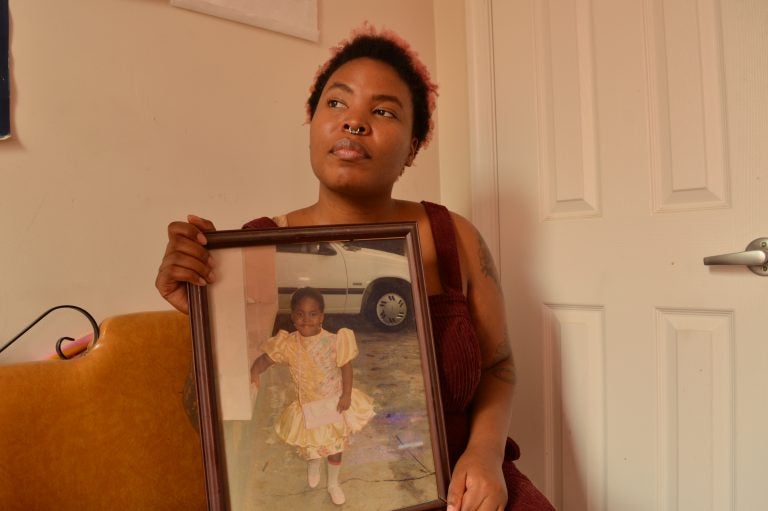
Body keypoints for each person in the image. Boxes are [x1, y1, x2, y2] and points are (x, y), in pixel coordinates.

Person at [156, 24, 555, 511]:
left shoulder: (455, 237)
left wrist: (485, 453)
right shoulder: (253, 249)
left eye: (383, 111)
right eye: (337, 103)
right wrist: (201, 314)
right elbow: (217, 421)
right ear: (312, 123)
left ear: (412, 148)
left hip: (460, 490)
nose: (354, 122)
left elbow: (500, 364)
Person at [250, 287, 374, 505]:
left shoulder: (335, 341)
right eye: (300, 313)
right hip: (309, 407)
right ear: (293, 316)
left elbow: (346, 368)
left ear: (322, 316)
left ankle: (333, 484)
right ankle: (314, 465)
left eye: (313, 313)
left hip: (335, 404)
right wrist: (253, 372)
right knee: (313, 448)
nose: (306, 319)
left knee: (335, 448)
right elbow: (265, 361)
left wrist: (346, 395)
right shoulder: (287, 344)